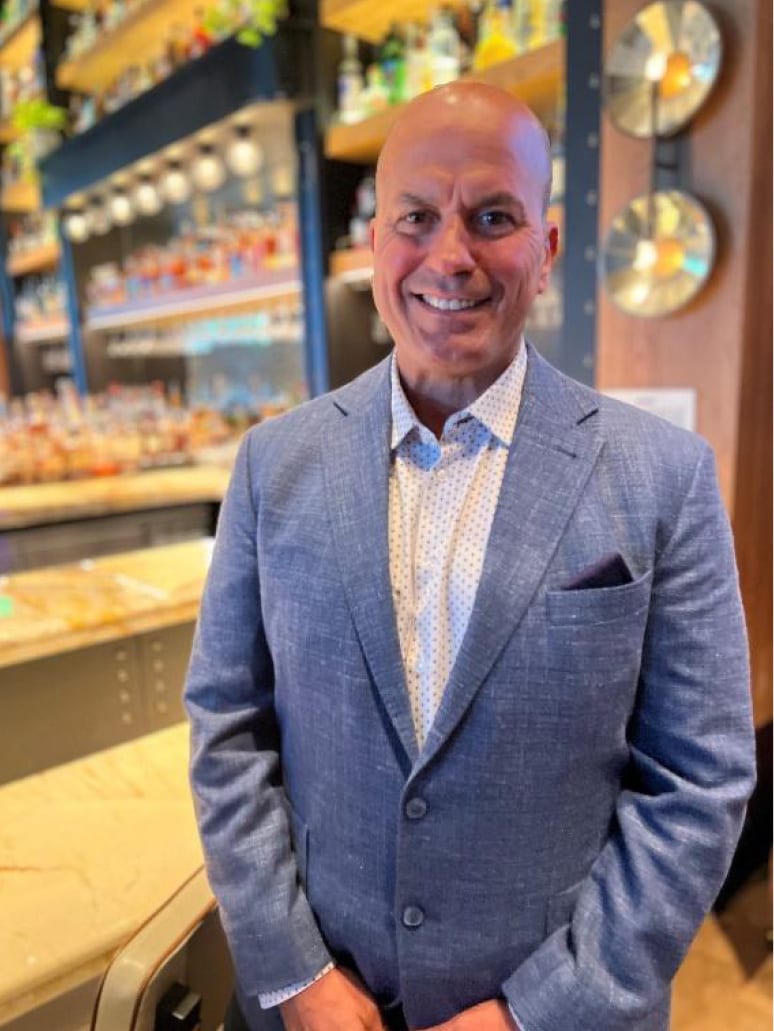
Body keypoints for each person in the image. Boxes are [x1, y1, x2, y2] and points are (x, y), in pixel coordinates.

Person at [184, 82, 755, 1031]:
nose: (450, 256)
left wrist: (537, 1011)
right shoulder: (272, 465)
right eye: (416, 216)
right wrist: (294, 972)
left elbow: (700, 785)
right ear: (376, 242)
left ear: (547, 248)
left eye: (493, 217)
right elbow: (227, 726)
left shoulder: (665, 476)